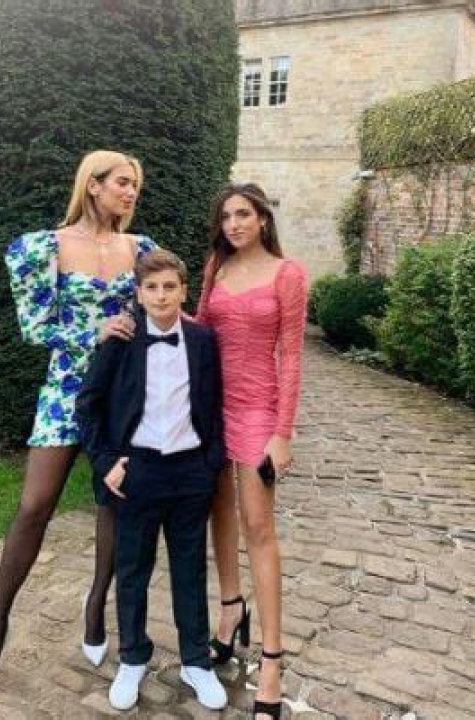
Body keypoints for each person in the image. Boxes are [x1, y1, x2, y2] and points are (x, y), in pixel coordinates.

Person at [0, 150, 156, 700]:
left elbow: (157, 312)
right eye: (122, 182)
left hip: (120, 395)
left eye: (135, 185)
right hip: (66, 390)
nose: (131, 192)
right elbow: (34, 328)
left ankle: (96, 605)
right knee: (34, 506)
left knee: (113, 504)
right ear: (93, 185)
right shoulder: (43, 247)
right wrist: (90, 334)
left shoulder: (140, 249)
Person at [76, 249, 228, 712]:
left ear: (184, 291)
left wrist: (210, 463)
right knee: (133, 569)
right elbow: (88, 406)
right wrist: (106, 462)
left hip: (189, 472)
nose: (161, 296)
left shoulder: (202, 340)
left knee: (190, 569)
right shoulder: (120, 340)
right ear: (138, 295)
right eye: (152, 288)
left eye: (169, 287)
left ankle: (196, 661)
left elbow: (213, 404)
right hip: (136, 471)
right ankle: (133, 657)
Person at [195, 183, 308, 720]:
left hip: (259, 410)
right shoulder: (215, 268)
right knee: (219, 513)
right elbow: (198, 331)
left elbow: (292, 357)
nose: (233, 224)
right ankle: (229, 610)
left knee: (259, 528)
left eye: (242, 214)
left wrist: (282, 432)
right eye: (225, 217)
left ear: (262, 218)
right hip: (212, 408)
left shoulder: (288, 274)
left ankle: (271, 662)